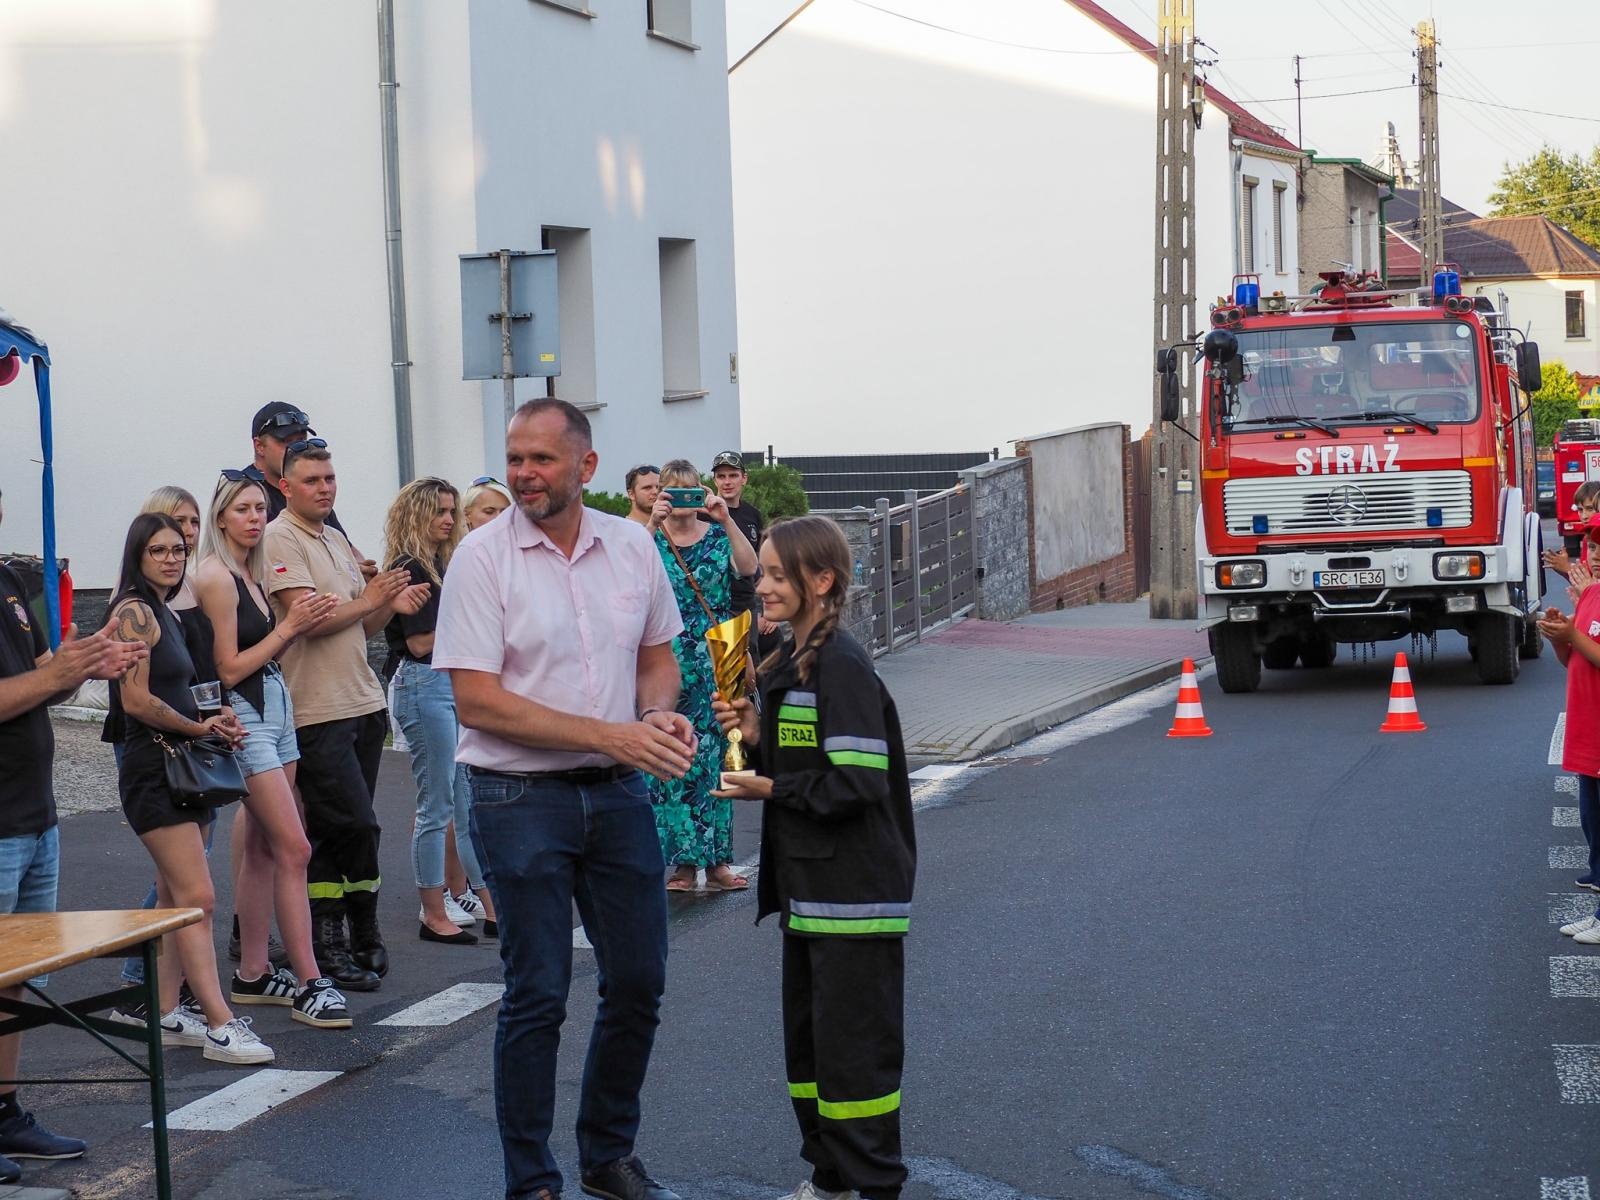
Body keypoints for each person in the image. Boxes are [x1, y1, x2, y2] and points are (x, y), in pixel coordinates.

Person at [434, 398, 695, 1200]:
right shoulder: (481, 557)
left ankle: (608, 1156)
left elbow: (658, 656)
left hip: (617, 796)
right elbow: (476, 701)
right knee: (538, 991)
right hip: (517, 798)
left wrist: (654, 716)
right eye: (514, 459)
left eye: (540, 460)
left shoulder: (632, 546)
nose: (523, 475)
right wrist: (614, 734)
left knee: (639, 981)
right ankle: (532, 1180)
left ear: (585, 466)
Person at [712, 515, 916, 1200]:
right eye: (762, 573)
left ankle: (874, 1185)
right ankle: (831, 1178)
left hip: (854, 898)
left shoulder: (843, 665)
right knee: (811, 1055)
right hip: (809, 896)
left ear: (819, 580)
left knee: (855, 1058)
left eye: (775, 574)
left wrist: (768, 784)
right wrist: (755, 736)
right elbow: (810, 758)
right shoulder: (791, 662)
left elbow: (858, 782)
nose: (761, 586)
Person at [0, 484, 144, 1185]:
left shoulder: (10, 582)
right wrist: (53, 674)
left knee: (18, 979)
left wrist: (79, 669)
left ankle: (4, 1113)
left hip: (33, 814)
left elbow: (28, 683)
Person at [109, 513, 275, 1065]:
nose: (172, 558)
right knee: (197, 898)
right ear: (138, 555)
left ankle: (162, 1013)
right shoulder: (133, 610)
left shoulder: (165, 612)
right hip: (154, 771)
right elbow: (134, 701)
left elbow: (184, 690)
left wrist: (218, 716)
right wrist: (196, 727)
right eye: (159, 550)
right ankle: (221, 1024)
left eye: (179, 549)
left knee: (176, 898)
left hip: (182, 765)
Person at [263, 442, 429, 992]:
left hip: (361, 701)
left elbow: (362, 627)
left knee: (347, 828)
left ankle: (356, 932)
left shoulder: (334, 536)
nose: (325, 488)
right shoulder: (280, 537)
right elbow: (306, 620)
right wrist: (371, 597)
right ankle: (337, 937)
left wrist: (389, 604)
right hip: (315, 707)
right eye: (312, 480)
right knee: (350, 824)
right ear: (286, 487)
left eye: (330, 477)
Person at [195, 473, 357, 1023]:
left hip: (275, 703)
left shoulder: (253, 569)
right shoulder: (217, 576)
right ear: (221, 518)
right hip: (247, 711)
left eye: (260, 508)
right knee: (296, 847)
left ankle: (254, 973)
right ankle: (311, 981)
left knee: (268, 847)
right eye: (242, 509)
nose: (254, 518)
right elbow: (227, 667)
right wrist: (289, 628)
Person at [382, 477, 496, 945]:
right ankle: (433, 911)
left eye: (452, 511)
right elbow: (418, 642)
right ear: (417, 514)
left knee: (464, 802)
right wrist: (472, 625)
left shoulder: (440, 563)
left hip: (447, 681)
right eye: (439, 512)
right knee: (439, 805)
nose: (449, 520)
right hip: (424, 681)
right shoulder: (409, 567)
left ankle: (490, 905)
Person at [644, 459, 757, 892]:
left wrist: (726, 519)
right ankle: (683, 864)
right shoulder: (651, 541)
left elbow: (747, 568)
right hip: (668, 654)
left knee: (723, 757)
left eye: (691, 491)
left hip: (720, 652)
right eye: (673, 492)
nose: (682, 501)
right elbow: (622, 571)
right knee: (674, 756)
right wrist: (652, 523)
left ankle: (719, 863)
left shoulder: (715, 536)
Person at [1542, 555, 1600, 943]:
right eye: (1590, 544)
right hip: (1589, 733)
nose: (1593, 554)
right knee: (1592, 823)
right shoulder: (1591, 594)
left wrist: (1573, 636)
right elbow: (1577, 658)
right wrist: (1561, 636)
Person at [708, 450, 779, 659]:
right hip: (715, 605)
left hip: (746, 605)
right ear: (714, 481)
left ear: (744, 479)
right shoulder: (703, 515)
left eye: (733, 475)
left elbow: (763, 567)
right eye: (721, 476)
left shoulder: (753, 515)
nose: (727, 482)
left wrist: (767, 612)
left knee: (752, 669)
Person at [1545, 481, 1600, 579]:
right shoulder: (1586, 539)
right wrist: (1562, 568)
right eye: (1580, 510)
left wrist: (1567, 568)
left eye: (1590, 509)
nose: (1584, 516)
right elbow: (1583, 588)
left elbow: (1593, 585)